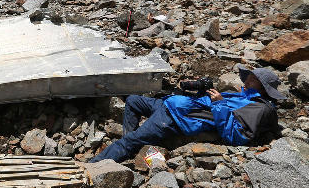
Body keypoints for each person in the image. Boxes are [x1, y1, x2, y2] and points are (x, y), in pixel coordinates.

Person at [90, 65, 285, 163]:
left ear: (263, 87)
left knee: (126, 142)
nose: (246, 82)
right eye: (248, 78)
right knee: (133, 100)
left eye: (252, 80)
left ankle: (92, 167)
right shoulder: (243, 95)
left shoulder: (258, 107)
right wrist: (203, 92)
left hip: (175, 119)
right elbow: (207, 104)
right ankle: (133, 145)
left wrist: (220, 104)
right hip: (170, 106)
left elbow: (236, 135)